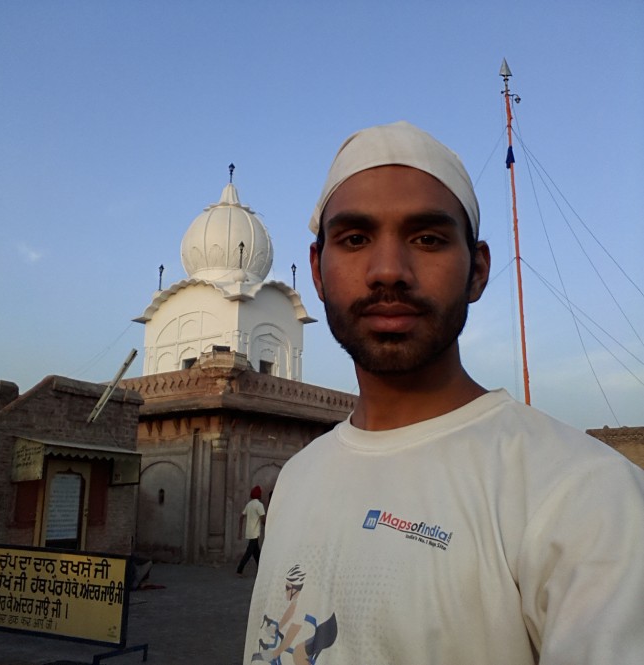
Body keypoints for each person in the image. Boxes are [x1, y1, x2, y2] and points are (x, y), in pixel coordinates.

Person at [242, 120, 644, 664]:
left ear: (477, 270)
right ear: (317, 270)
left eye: (427, 239)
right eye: (355, 239)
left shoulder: (582, 497)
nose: (389, 271)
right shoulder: (298, 478)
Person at [237, 485, 266, 576]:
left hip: (249, 532)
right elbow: (263, 519)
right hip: (255, 533)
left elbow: (241, 517)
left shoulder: (249, 504)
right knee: (249, 552)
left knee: (256, 552)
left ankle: (261, 570)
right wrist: (268, 527)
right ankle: (239, 570)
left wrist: (240, 531)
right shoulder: (259, 505)